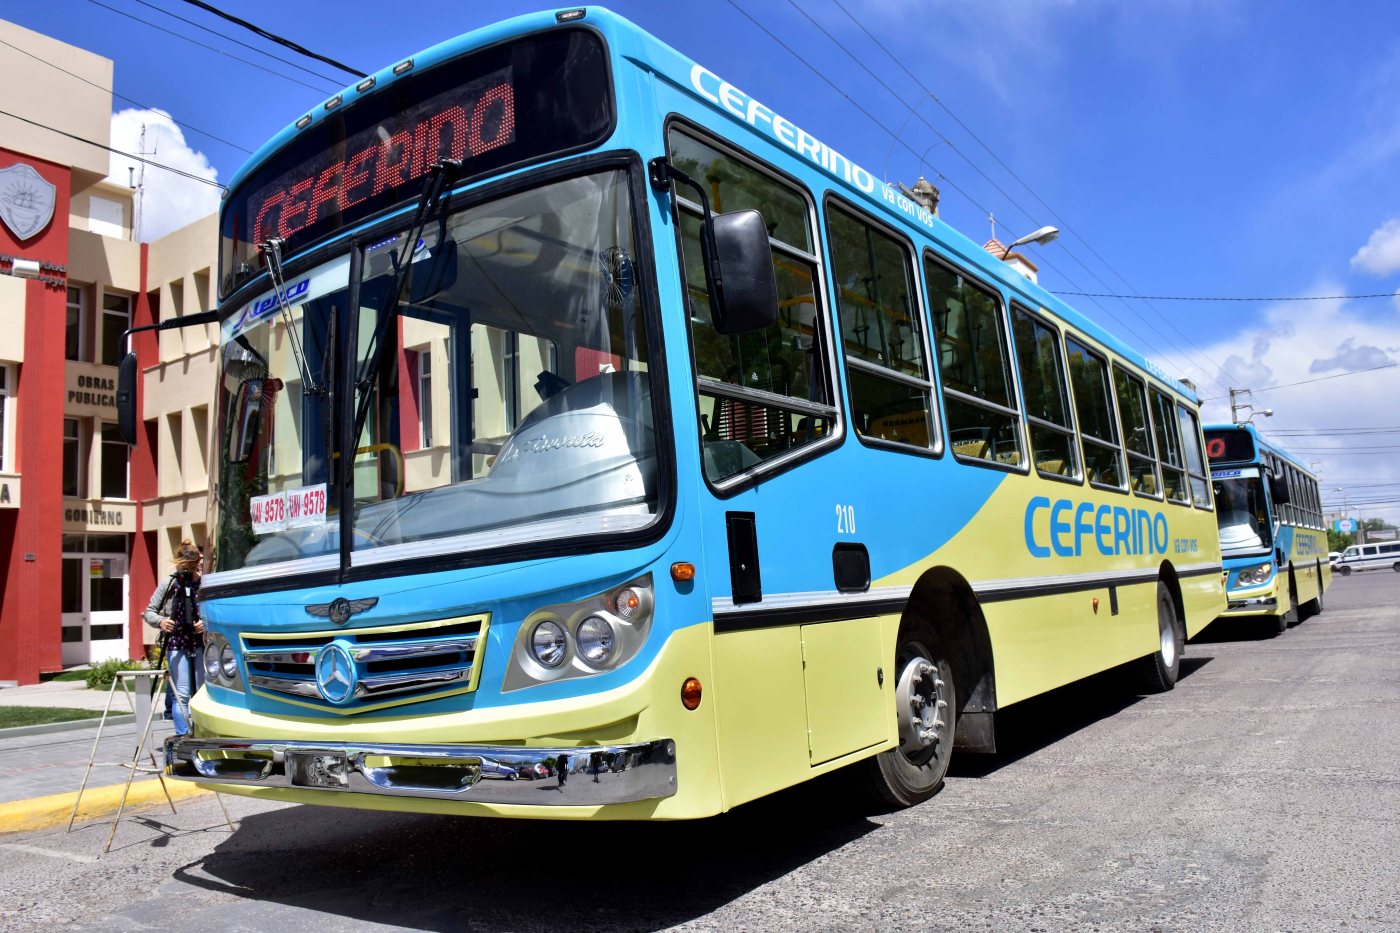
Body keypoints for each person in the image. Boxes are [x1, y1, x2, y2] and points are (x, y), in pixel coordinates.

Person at [142, 540, 205, 736]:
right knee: (183, 694)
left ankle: (203, 735)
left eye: (192, 567)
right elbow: (149, 611)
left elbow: (218, 611)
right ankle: (182, 736)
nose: (189, 571)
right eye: (186, 567)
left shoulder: (204, 584)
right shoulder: (170, 584)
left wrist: (206, 622)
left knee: (202, 693)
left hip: (201, 643)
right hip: (177, 643)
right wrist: (161, 622)